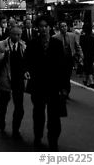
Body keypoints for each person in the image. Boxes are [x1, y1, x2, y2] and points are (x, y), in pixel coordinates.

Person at [25, 15, 66, 151]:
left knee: (54, 116)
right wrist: (26, 71)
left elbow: (62, 66)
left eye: (45, 26)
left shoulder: (57, 44)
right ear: (38, 28)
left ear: (50, 27)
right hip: (38, 84)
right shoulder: (32, 43)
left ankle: (53, 139)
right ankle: (38, 136)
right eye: (41, 26)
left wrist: (64, 86)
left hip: (53, 85)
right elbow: (27, 61)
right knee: (38, 114)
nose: (43, 29)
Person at [0, 26, 27, 138]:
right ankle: (1, 120)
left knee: (19, 107)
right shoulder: (1, 45)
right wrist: (4, 55)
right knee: (2, 104)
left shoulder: (23, 46)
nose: (17, 37)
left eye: (19, 35)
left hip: (19, 79)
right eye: (15, 34)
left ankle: (16, 129)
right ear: (10, 34)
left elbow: (27, 62)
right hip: (5, 78)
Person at [53, 21, 83, 97]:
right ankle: (62, 90)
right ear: (59, 28)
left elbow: (77, 46)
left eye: (65, 26)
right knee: (61, 76)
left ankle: (66, 90)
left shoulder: (72, 35)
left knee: (68, 76)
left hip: (69, 59)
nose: (64, 28)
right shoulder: (55, 37)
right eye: (62, 26)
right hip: (59, 60)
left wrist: (81, 55)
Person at [79, 23, 94, 88]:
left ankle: (91, 82)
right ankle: (85, 80)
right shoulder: (93, 38)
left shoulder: (82, 37)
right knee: (88, 67)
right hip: (92, 55)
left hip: (84, 55)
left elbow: (80, 46)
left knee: (87, 68)